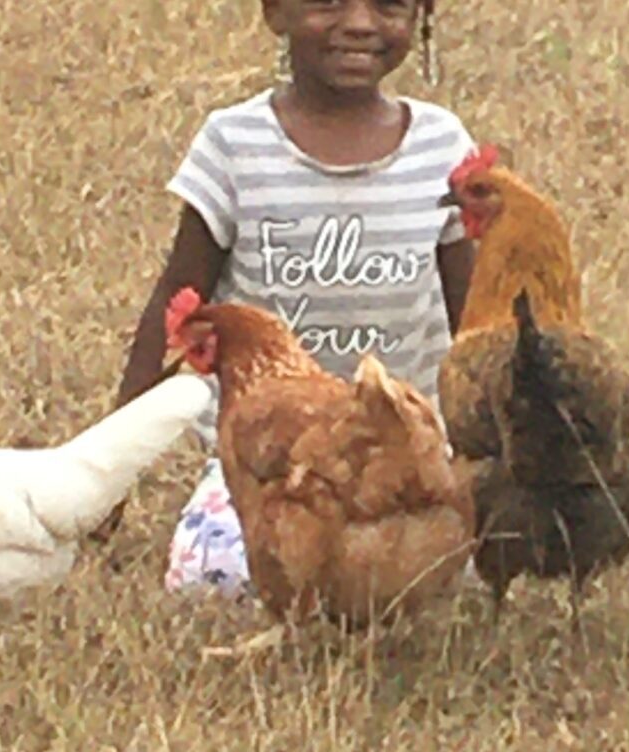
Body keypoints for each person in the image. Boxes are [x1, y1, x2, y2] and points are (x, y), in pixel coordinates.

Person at [109, 0, 475, 597]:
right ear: (275, 11)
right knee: (215, 578)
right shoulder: (235, 143)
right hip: (270, 467)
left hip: (397, 459)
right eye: (328, 2)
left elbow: (475, 323)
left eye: (389, 5)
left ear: (423, 14)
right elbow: (177, 303)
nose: (360, 24)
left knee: (429, 571)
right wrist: (112, 475)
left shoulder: (441, 146)